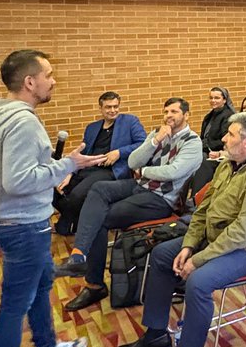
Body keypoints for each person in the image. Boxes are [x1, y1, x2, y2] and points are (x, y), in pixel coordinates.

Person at [116, 113, 246, 347]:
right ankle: (156, 333)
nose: (224, 139)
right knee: (162, 254)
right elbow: (202, 211)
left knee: (198, 281)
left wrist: (198, 258)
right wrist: (189, 245)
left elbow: (242, 233)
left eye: (230, 134)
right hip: (215, 239)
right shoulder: (229, 165)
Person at [0, 50, 102, 347]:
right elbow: (17, 181)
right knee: (15, 305)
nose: (53, 80)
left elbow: (18, 172)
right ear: (30, 82)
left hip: (8, 221)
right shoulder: (23, 122)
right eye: (48, 74)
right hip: (23, 225)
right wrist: (67, 164)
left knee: (42, 282)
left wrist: (56, 166)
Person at [59, 98, 202, 309]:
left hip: (161, 199)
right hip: (139, 186)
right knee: (98, 187)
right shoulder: (158, 134)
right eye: (166, 112)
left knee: (100, 219)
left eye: (174, 112)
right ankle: (78, 255)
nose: (168, 116)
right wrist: (155, 141)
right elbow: (132, 161)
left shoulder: (193, 142)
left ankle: (94, 285)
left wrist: (143, 171)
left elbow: (173, 172)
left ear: (186, 115)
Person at [52, 92, 147, 235]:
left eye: (116, 106)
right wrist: (70, 172)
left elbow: (143, 143)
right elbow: (83, 154)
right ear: (100, 109)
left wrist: (119, 152)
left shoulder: (130, 121)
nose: (113, 110)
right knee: (54, 189)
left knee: (77, 195)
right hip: (88, 168)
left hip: (111, 171)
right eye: (108, 107)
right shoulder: (92, 128)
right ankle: (76, 220)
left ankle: (65, 225)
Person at [192, 86, 235, 194]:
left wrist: (205, 145)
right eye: (211, 98)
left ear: (224, 100)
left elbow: (225, 140)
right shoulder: (209, 116)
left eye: (217, 98)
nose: (213, 100)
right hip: (205, 149)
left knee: (201, 161)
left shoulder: (228, 116)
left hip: (219, 153)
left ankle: (196, 196)